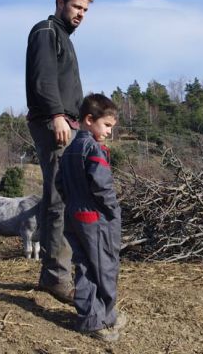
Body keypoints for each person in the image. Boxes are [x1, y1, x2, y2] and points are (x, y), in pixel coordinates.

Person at [25, 0, 94, 303]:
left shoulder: (62, 37)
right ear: (59, 2)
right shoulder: (46, 32)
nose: (80, 14)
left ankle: (52, 273)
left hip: (68, 124)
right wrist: (56, 115)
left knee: (63, 198)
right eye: (76, 6)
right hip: (55, 124)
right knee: (58, 199)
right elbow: (42, 79)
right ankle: (55, 277)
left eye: (85, 10)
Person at [56, 93, 126, 342]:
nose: (109, 132)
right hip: (95, 219)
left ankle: (90, 316)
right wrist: (113, 211)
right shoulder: (93, 148)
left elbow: (59, 183)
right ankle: (103, 318)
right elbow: (103, 187)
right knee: (105, 267)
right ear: (89, 119)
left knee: (84, 266)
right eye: (106, 125)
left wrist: (72, 203)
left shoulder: (68, 151)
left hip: (73, 216)